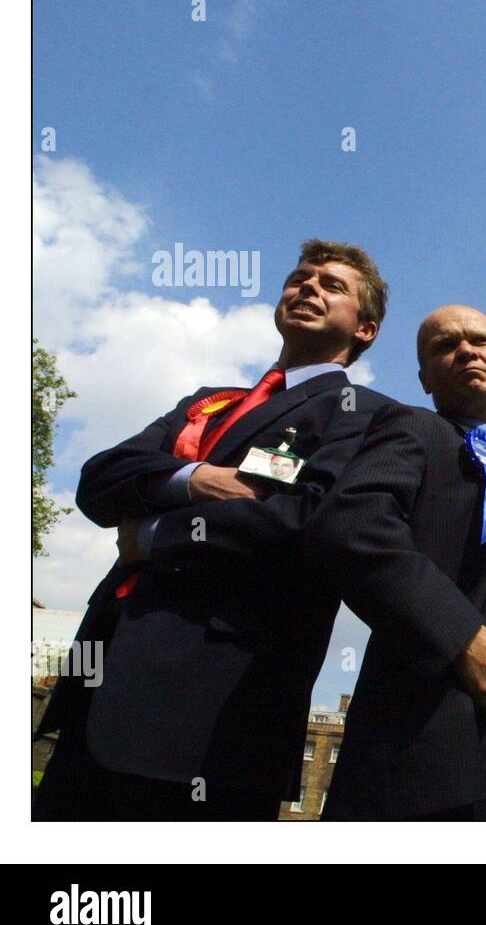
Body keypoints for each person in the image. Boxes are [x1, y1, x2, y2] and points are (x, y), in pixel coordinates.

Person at [33, 239, 397, 820]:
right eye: (300, 277)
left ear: (367, 329)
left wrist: (150, 537)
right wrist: (197, 477)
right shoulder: (209, 401)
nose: (308, 288)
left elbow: (304, 520)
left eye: (333, 285)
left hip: (216, 714)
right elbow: (100, 481)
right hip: (99, 689)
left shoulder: (367, 415)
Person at [307, 305, 486, 820]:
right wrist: (459, 633)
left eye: (480, 340)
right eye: (445, 345)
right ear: (423, 378)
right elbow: (352, 526)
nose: (466, 350)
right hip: (439, 718)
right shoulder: (411, 429)